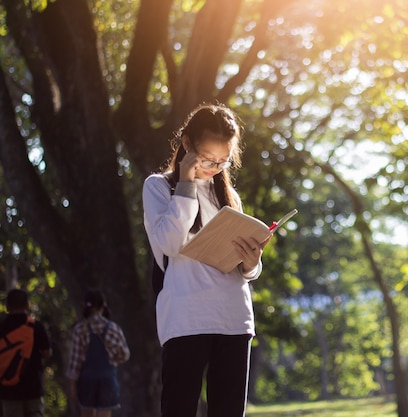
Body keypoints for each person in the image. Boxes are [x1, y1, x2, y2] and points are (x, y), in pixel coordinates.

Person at [143, 102, 269, 417]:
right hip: (186, 318)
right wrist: (186, 185)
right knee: (179, 409)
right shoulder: (159, 187)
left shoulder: (228, 197)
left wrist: (252, 262)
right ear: (187, 144)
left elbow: (246, 271)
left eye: (222, 161)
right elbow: (170, 243)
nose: (214, 168)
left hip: (233, 318)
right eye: (207, 159)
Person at [66, 289, 130, 417]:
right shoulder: (113, 328)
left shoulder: (81, 329)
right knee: (104, 413)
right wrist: (113, 356)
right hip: (107, 378)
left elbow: (75, 361)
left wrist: (72, 385)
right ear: (103, 306)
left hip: (87, 380)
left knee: (87, 412)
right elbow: (125, 354)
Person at [0, 289, 52, 417]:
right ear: (27, 306)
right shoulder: (36, 327)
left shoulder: (1, 327)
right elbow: (47, 352)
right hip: (33, 387)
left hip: (8, 388)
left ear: (7, 307)